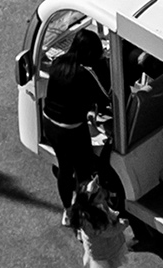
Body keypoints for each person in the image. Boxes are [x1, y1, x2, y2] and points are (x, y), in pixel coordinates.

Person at [36, 25, 110, 222]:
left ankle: (67, 211)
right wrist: (102, 64)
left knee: (65, 167)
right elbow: (105, 96)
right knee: (83, 170)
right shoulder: (85, 74)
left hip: (50, 124)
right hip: (72, 130)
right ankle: (83, 212)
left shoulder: (58, 63)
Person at [71, 164, 132, 268]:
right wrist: (122, 225)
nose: (102, 195)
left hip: (100, 246)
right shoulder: (93, 219)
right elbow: (109, 231)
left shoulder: (91, 209)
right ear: (91, 201)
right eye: (98, 195)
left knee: (106, 266)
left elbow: (107, 213)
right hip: (101, 249)